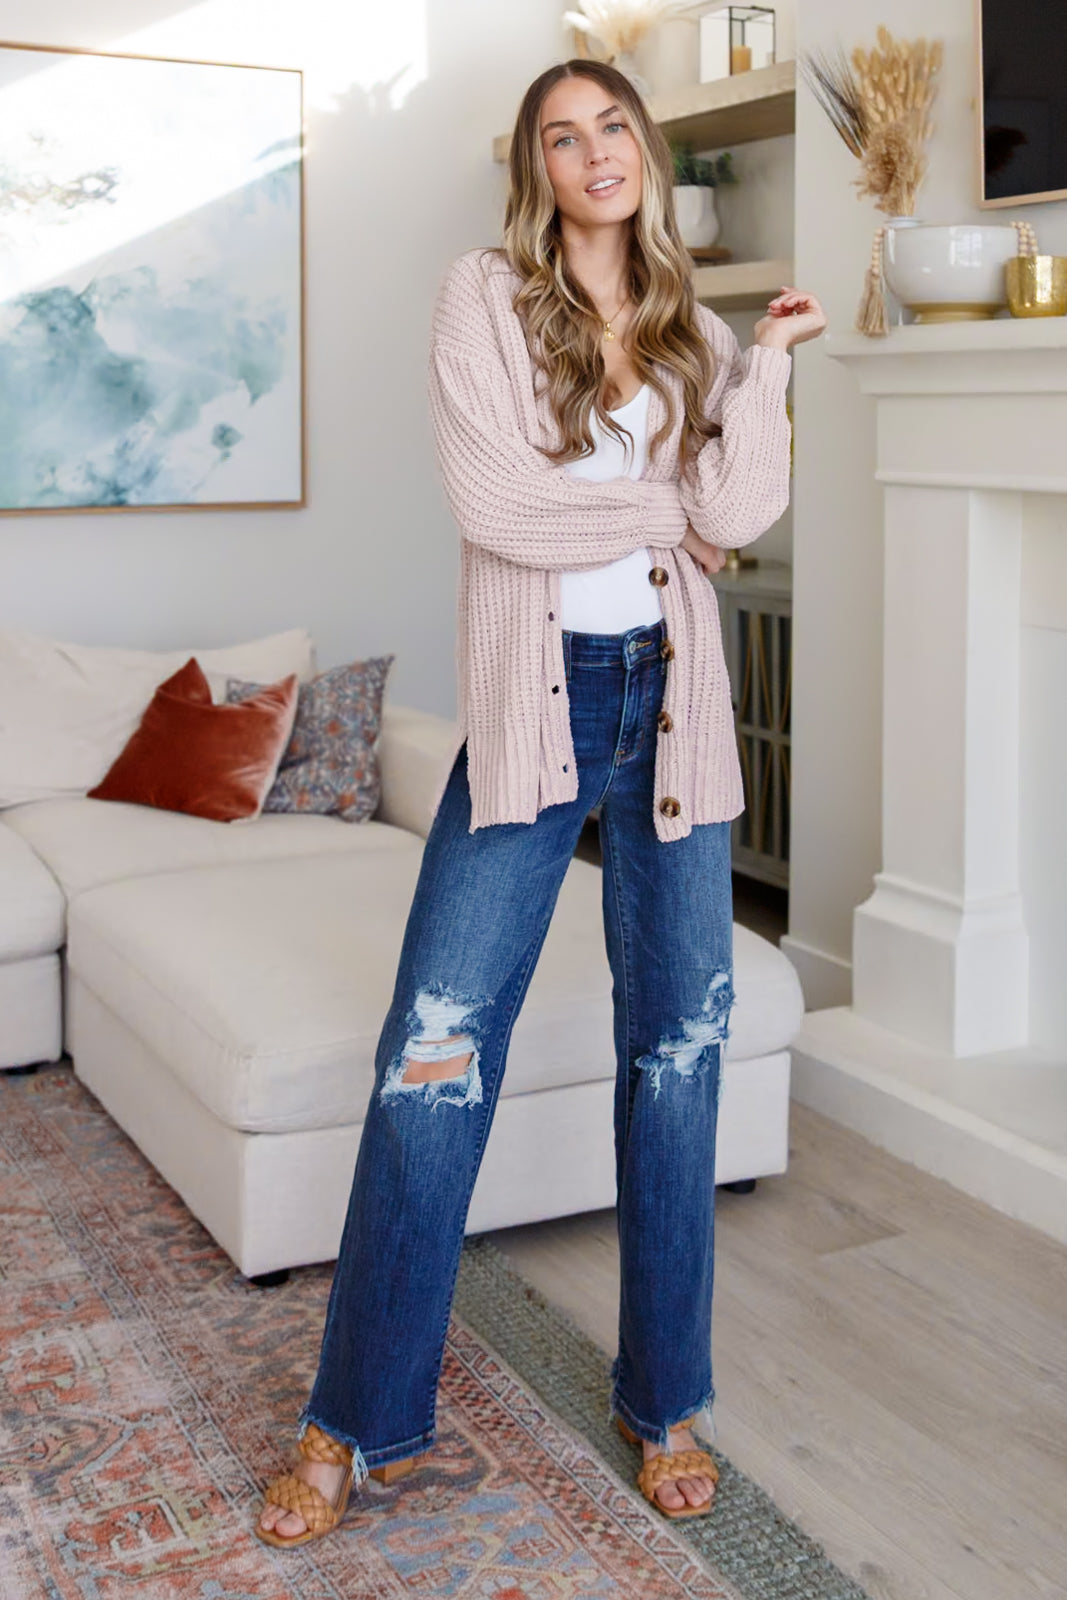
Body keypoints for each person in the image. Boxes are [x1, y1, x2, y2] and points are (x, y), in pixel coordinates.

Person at [255, 56, 826, 1549]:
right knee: (434, 1050)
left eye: (615, 128)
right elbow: (497, 508)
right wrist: (666, 514)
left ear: (643, 148)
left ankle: (666, 1399)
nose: (595, 154)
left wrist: (761, 374)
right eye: (563, 138)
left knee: (679, 1052)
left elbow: (743, 515)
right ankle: (354, 1419)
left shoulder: (697, 330)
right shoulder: (485, 300)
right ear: (537, 168)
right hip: (541, 705)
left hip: (675, 705)